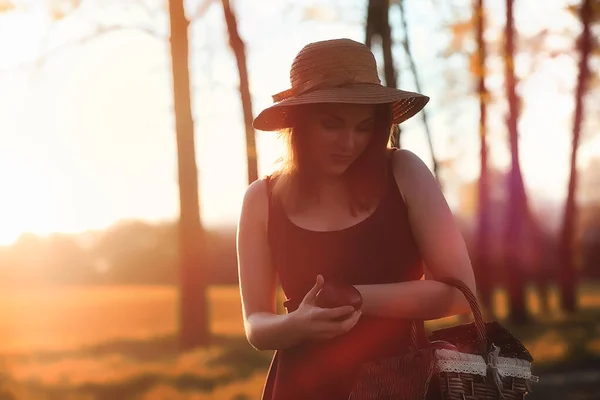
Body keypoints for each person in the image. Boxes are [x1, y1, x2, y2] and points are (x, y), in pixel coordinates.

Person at [236, 38, 476, 400]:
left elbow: (459, 294)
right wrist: (295, 324)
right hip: (300, 387)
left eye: (363, 127)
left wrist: (354, 297)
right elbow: (256, 325)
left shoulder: (404, 171)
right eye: (332, 125)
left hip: (403, 382)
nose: (349, 142)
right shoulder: (261, 199)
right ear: (299, 125)